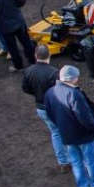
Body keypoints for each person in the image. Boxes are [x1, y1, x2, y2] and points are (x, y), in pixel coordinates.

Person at [44, 65, 94, 187]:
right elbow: (84, 116)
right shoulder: (74, 94)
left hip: (67, 135)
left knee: (76, 162)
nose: (78, 79)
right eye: (77, 77)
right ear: (72, 78)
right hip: (83, 135)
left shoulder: (50, 93)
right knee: (91, 160)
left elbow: (50, 114)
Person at [21, 44, 69, 172]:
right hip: (55, 107)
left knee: (55, 133)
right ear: (49, 55)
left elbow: (25, 88)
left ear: (35, 55)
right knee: (66, 131)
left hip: (41, 108)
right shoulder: (54, 73)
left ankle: (63, 162)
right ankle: (75, 160)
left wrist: (37, 94)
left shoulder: (28, 71)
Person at [0, 0, 35, 73]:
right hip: (18, 20)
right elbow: (22, 0)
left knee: (12, 47)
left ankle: (18, 66)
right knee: (26, 42)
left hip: (4, 26)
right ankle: (33, 61)